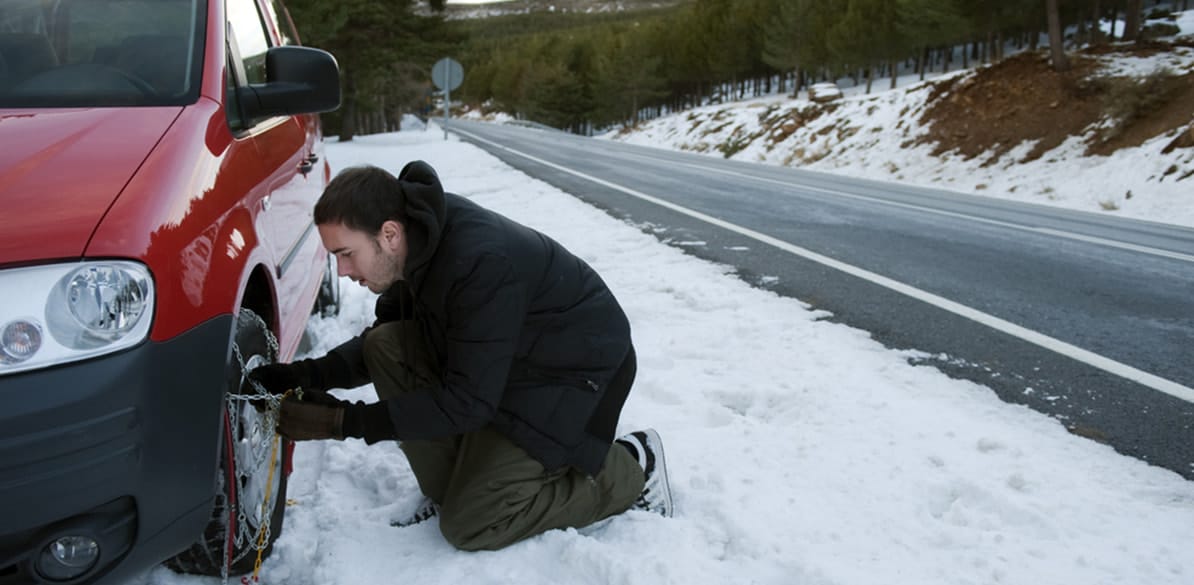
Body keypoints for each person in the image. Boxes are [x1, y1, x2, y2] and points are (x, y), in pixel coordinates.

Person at [248, 160, 673, 551]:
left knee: (472, 523)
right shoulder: (414, 244)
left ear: (389, 235)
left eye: (346, 253)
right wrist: (301, 376)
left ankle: (632, 468)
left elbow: (468, 402)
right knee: (388, 346)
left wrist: (343, 422)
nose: (342, 271)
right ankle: (460, 485)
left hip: (571, 369)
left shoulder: (476, 264)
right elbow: (381, 343)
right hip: (504, 360)